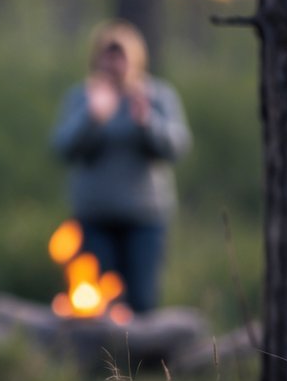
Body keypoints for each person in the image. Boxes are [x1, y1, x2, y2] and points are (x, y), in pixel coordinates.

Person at [50, 21, 191, 315]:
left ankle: (142, 359)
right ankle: (104, 361)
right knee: (98, 303)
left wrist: (147, 123)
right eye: (108, 55)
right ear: (98, 59)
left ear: (135, 59)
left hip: (145, 218)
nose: (114, 64)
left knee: (141, 300)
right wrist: (93, 117)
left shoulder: (157, 96)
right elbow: (63, 147)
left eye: (121, 56)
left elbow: (178, 146)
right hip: (94, 218)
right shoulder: (83, 97)